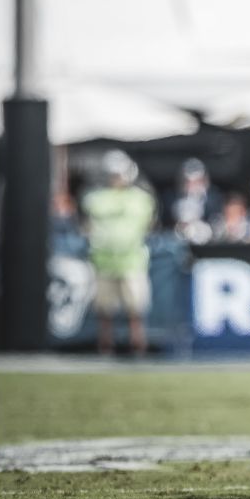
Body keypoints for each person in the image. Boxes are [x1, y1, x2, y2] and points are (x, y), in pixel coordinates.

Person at [82, 150, 155, 355]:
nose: (116, 179)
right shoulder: (96, 198)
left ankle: (138, 345)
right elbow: (88, 224)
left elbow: (148, 224)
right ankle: (105, 345)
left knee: (136, 308)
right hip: (104, 260)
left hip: (132, 260)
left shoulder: (140, 198)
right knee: (104, 309)